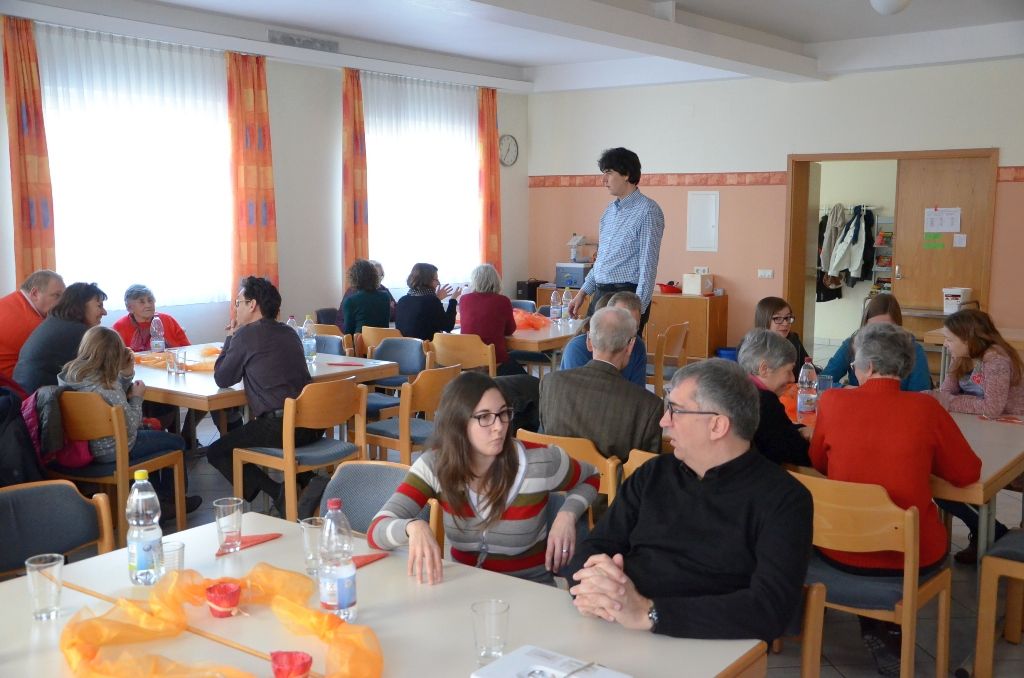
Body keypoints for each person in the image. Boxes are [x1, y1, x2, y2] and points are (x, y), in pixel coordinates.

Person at [567, 359, 812, 641]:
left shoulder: (784, 499)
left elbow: (770, 609)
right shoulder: (652, 474)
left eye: (676, 410)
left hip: (711, 642)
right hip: (618, 624)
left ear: (717, 425)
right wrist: (593, 587)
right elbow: (595, 546)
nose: (664, 421)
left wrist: (649, 613)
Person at [809, 322, 981, 675]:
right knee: (918, 531)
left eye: (855, 363)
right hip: (909, 555)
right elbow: (966, 474)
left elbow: (818, 463)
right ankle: (884, 625)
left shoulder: (832, 401)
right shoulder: (925, 409)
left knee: (864, 531)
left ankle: (877, 624)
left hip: (837, 547)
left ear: (869, 366)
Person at [368, 371, 599, 585]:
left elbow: (592, 476)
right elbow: (376, 530)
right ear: (458, 424)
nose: (499, 427)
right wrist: (412, 527)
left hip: (530, 590)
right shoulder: (435, 466)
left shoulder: (539, 462)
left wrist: (567, 515)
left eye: (503, 413)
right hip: (467, 590)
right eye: (484, 417)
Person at [201, 277, 323, 513]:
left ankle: (279, 492)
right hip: (312, 424)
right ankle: (305, 483)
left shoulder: (246, 336)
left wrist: (231, 336)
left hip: (280, 427)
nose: (236, 308)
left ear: (252, 305)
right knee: (248, 434)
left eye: (238, 303)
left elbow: (223, 378)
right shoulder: (289, 331)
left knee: (217, 451)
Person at [57, 326, 201, 515]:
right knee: (176, 442)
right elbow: (132, 424)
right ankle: (172, 501)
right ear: (114, 357)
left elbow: (115, 400)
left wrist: (125, 377)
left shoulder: (71, 378)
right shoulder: (108, 388)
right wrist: (137, 398)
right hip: (116, 448)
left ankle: (155, 499)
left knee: (155, 437)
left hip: (87, 448)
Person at [931, 308, 1023, 563]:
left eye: (950, 339)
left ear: (968, 338)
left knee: (960, 484)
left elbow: (992, 408)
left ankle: (992, 535)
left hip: (1009, 437)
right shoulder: (961, 357)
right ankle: (990, 533)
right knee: (947, 483)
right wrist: (947, 400)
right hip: (979, 430)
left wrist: (949, 401)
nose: (946, 344)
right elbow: (945, 393)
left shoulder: (997, 359)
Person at [540, 307, 662, 462]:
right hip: (612, 478)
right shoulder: (648, 405)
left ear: (589, 342)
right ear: (630, 346)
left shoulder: (550, 384)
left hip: (561, 474)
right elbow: (649, 468)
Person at [567, 147, 664, 334]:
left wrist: (638, 309)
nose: (603, 180)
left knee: (619, 351)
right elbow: (602, 261)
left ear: (626, 174)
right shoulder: (609, 212)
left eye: (609, 173)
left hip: (626, 298)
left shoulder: (648, 211)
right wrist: (582, 293)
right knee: (586, 345)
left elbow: (648, 266)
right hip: (600, 294)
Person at [820, 293, 932, 391]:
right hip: (860, 404)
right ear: (864, 326)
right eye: (872, 328)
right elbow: (821, 382)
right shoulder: (852, 345)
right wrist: (853, 390)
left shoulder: (913, 350)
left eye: (886, 329)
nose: (878, 336)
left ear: (897, 329)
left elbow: (921, 395)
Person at [14, 282, 107, 395]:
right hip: (39, 400)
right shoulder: (78, 331)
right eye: (99, 306)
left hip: (25, 394)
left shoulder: (55, 322)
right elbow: (107, 368)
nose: (104, 312)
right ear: (81, 305)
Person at [737, 329, 811, 466]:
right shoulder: (764, 402)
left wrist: (798, 430)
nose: (792, 378)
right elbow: (796, 453)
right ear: (764, 369)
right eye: (789, 371)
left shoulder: (737, 389)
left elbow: (778, 430)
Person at [559, 291, 648, 387]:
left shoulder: (636, 344)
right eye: (620, 323)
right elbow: (577, 393)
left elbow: (637, 391)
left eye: (634, 327)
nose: (627, 334)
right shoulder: (577, 349)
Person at [457, 264, 524, 376]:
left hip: (468, 359)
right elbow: (510, 330)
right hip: (494, 359)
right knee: (526, 380)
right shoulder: (503, 301)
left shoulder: (464, 299)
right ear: (496, 281)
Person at [0, 270, 65, 382]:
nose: (62, 303)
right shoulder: (33, 324)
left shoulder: (10, 302)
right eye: (57, 296)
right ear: (35, 293)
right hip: (12, 388)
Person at [738, 296, 811, 381]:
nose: (785, 323)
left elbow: (808, 368)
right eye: (778, 318)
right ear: (764, 320)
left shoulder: (793, 339)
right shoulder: (750, 347)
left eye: (788, 318)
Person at [111, 284, 191, 352]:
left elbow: (187, 349)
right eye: (142, 302)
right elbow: (113, 359)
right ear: (129, 308)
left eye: (150, 300)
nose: (148, 305)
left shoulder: (168, 320)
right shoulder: (118, 327)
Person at [395, 263, 460, 341]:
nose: (438, 283)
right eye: (436, 279)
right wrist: (453, 300)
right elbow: (448, 326)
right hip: (425, 347)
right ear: (427, 280)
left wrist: (436, 298)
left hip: (405, 346)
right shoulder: (431, 301)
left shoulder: (402, 300)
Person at [338, 259, 396, 327]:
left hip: (369, 331)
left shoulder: (383, 290)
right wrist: (389, 308)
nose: (379, 279)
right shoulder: (351, 294)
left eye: (381, 276)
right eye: (376, 276)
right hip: (349, 330)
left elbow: (396, 312)